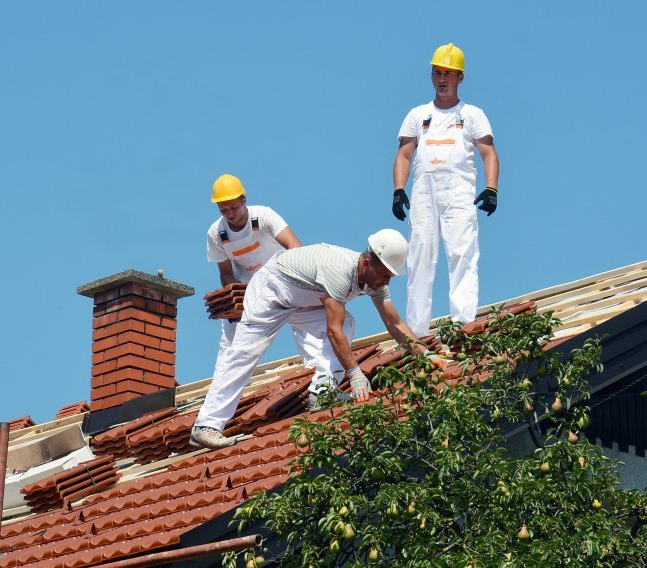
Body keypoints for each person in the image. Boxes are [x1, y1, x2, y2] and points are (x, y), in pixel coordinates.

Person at [191, 229, 424, 449]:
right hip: (271, 290)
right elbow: (333, 331)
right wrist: (354, 373)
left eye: (391, 276)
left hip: (301, 300)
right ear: (366, 263)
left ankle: (323, 393)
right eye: (384, 274)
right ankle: (206, 425)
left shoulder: (375, 282)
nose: (387, 281)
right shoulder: (340, 269)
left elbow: (394, 323)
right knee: (244, 352)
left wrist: (424, 353)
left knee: (348, 322)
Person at [205, 173, 355, 429]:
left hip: (284, 285)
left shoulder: (262, 217)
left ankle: (321, 389)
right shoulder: (217, 233)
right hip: (251, 296)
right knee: (233, 350)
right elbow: (226, 273)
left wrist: (306, 286)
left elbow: (295, 248)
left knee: (322, 331)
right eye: (223, 209)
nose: (229, 213)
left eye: (233, 207)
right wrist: (235, 304)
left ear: (244, 199)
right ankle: (211, 418)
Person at [391, 43, 500, 337]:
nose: (442, 79)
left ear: (460, 78)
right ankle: (416, 330)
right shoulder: (418, 114)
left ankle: (462, 323)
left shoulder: (472, 114)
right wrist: (399, 190)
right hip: (424, 194)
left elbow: (488, 152)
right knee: (420, 256)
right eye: (437, 73)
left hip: (459, 192)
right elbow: (404, 154)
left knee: (462, 253)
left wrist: (491, 188)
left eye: (448, 74)